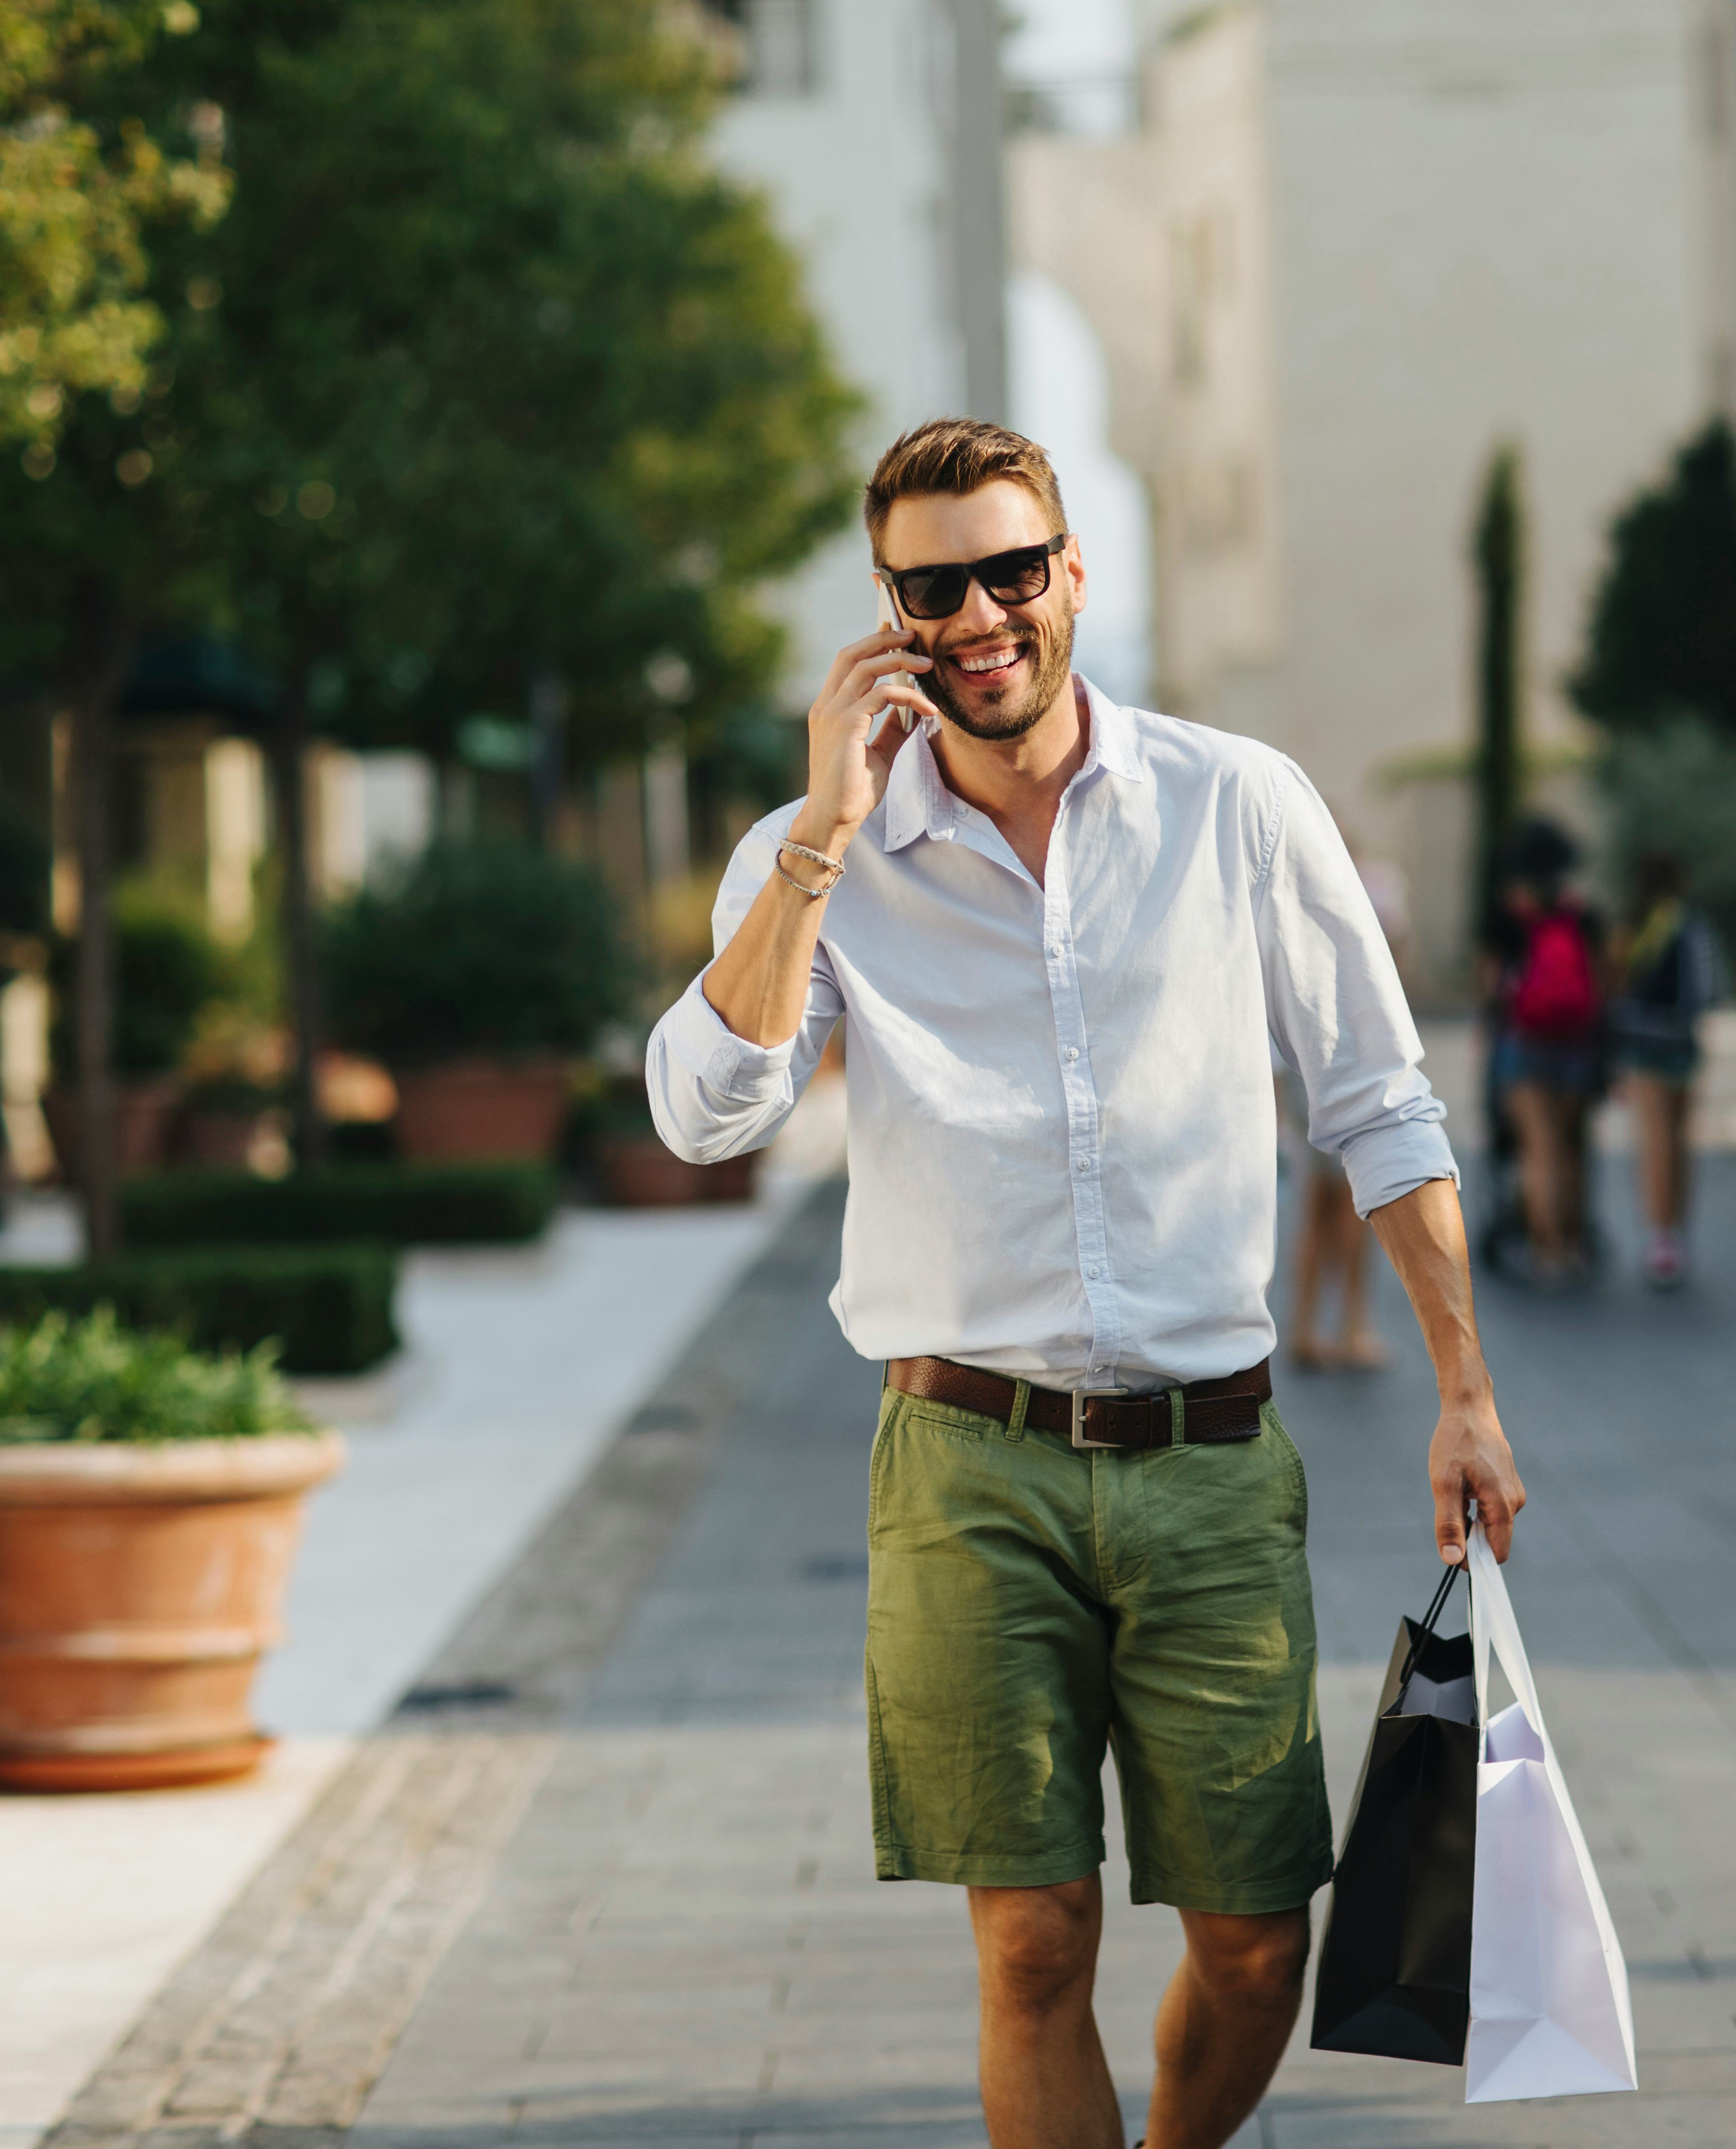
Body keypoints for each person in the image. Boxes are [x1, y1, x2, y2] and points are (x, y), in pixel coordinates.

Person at [646, 419, 1526, 2149]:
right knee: (1034, 1935)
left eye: (1007, 571)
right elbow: (704, 1114)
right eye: (931, 589)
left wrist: (1463, 1391)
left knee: (1257, 1943)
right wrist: (821, 834)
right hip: (963, 1465)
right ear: (888, 613)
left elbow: (1378, 1103)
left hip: (1208, 1458)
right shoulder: (815, 849)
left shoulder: (1235, 803)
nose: (976, 616)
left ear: (1068, 573)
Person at [1284, 817, 1411, 1368]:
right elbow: (1392, 975)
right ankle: (1351, 1325)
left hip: (1307, 1067)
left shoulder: (1286, 899)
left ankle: (1309, 1325)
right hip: (1346, 1065)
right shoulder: (1369, 893)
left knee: (1319, 1205)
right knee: (1356, 1204)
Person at [1481, 818, 1603, 1286]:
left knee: (1539, 1149)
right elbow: (1603, 979)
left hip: (1525, 1042)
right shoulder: (1583, 915)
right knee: (1572, 1147)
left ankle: (1546, 1250)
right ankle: (1574, 1243)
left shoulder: (1509, 915)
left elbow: (1490, 983)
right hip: (1576, 1043)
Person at [1607, 854, 1727, 1288]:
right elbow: (1712, 991)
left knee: (1653, 1140)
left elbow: (1613, 985)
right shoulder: (1692, 925)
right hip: (1682, 1044)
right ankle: (1677, 1231)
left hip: (1642, 1046)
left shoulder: (1632, 926)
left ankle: (1659, 1238)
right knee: (1680, 1140)